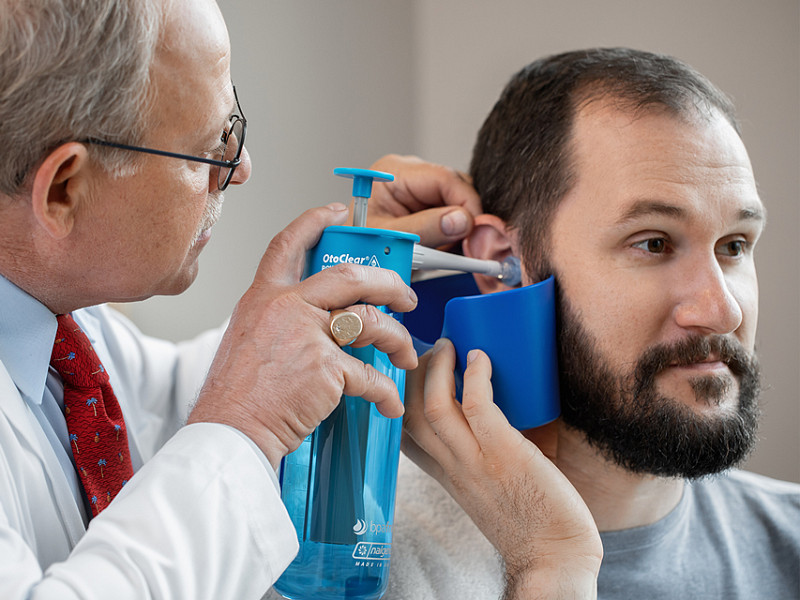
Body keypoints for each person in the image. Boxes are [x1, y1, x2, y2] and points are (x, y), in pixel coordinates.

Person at [0, 1, 488, 598]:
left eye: (237, 125)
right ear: (64, 189)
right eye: (214, 145)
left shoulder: (61, 329)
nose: (240, 169)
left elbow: (167, 402)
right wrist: (247, 425)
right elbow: (223, 422)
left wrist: (330, 287)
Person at [382, 48, 800, 599]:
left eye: (735, 245)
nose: (723, 312)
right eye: (654, 243)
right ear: (502, 263)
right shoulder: (351, 565)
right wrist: (549, 565)